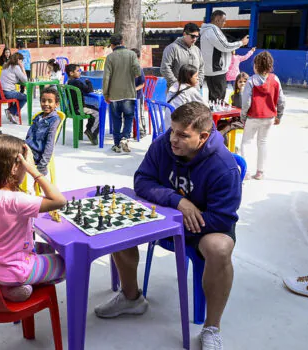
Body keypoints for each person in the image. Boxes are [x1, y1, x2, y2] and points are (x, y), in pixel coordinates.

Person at [95, 102, 242, 350]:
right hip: (167, 215)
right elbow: (142, 180)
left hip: (204, 226)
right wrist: (178, 202)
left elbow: (224, 218)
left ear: (203, 137)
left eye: (183, 135)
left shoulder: (223, 166)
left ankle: (212, 327)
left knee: (219, 248)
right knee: (117, 220)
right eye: (172, 130)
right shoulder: (164, 143)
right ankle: (132, 298)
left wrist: (179, 221)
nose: (173, 139)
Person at [0, 133, 66, 302]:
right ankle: (15, 284)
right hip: (17, 269)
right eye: (24, 164)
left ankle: (9, 286)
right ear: (15, 168)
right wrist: (34, 170)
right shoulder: (17, 201)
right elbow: (59, 201)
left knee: (47, 249)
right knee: (68, 262)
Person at [240, 51, 285, 180]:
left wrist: (243, 117)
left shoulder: (251, 80)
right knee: (263, 142)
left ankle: (246, 172)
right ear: (270, 65)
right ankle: (260, 172)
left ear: (256, 66)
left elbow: (246, 102)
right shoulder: (275, 79)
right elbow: (282, 100)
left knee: (246, 142)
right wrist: (279, 116)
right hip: (269, 117)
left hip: (253, 116)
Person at [102, 33, 142, 153]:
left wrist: (106, 93)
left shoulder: (110, 57)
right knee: (129, 117)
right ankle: (125, 138)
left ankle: (116, 144)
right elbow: (138, 71)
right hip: (129, 93)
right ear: (122, 43)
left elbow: (106, 77)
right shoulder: (132, 54)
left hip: (114, 95)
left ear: (112, 45)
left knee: (116, 119)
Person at [200, 10, 249, 102]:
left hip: (212, 70)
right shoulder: (213, 30)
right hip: (217, 70)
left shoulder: (208, 30)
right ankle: (215, 115)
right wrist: (241, 43)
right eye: (223, 20)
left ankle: (212, 115)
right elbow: (225, 46)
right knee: (218, 99)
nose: (225, 23)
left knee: (213, 99)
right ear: (217, 20)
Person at [161, 23, 205, 90]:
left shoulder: (197, 50)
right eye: (192, 36)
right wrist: (176, 84)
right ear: (184, 34)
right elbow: (164, 68)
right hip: (176, 92)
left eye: (197, 37)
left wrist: (199, 83)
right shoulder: (172, 48)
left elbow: (201, 68)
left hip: (194, 90)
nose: (195, 39)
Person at [66, 63, 100, 145]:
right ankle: (92, 132)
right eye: (78, 71)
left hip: (72, 107)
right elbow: (89, 90)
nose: (80, 72)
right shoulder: (77, 82)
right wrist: (88, 82)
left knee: (94, 108)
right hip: (79, 108)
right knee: (98, 113)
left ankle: (89, 129)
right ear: (71, 73)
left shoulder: (69, 82)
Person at [165, 64, 205, 130]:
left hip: (167, 126)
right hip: (179, 128)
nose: (198, 78)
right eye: (196, 76)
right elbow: (205, 106)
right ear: (189, 77)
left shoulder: (174, 86)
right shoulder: (190, 90)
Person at [0, 52, 28, 124]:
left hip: (0, 92)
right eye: (21, 61)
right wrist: (22, 67)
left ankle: (13, 113)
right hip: (7, 93)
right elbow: (25, 80)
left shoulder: (6, 65)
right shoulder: (15, 67)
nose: (22, 62)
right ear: (18, 60)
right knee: (25, 97)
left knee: (19, 96)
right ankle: (11, 112)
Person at [131, 48, 147, 138]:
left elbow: (142, 84)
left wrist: (134, 89)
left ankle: (141, 130)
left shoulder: (139, 70)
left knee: (139, 114)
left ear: (138, 58)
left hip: (138, 96)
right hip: (129, 96)